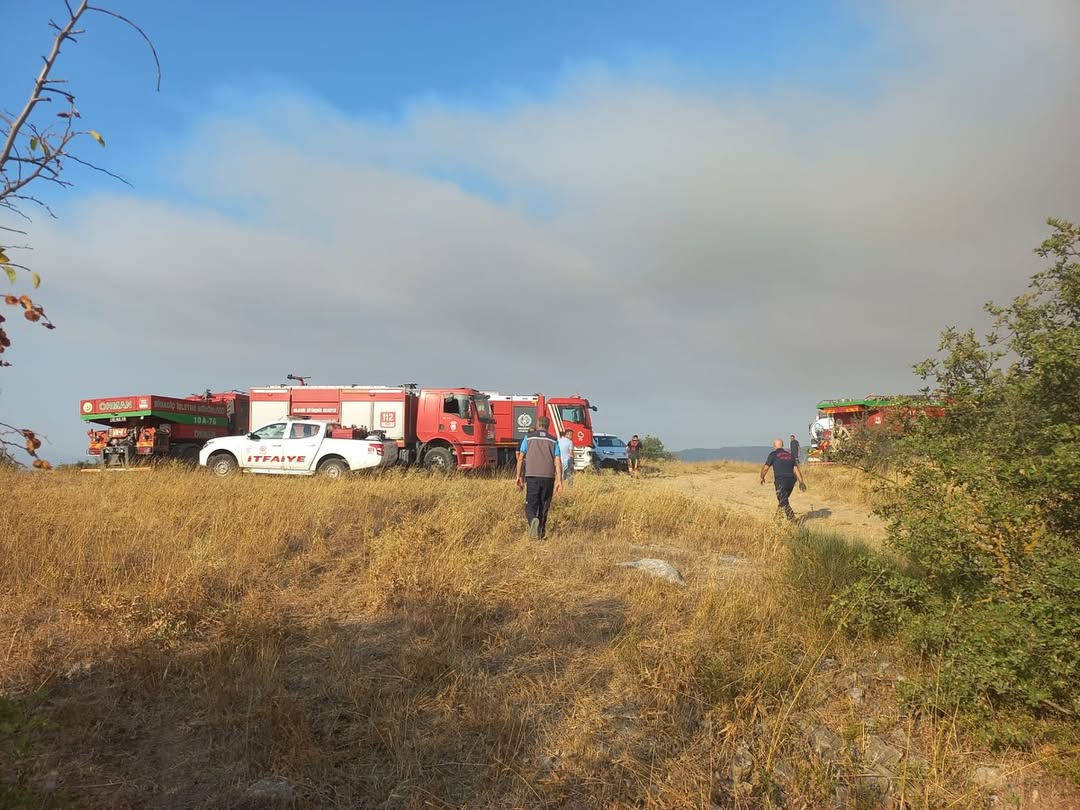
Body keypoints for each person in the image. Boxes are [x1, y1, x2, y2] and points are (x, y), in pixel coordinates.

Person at [515, 416, 563, 540]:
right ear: (548, 426)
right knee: (544, 505)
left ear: (537, 424)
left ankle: (533, 521)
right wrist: (559, 480)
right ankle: (541, 534)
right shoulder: (553, 440)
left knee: (530, 505)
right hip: (548, 477)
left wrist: (518, 476)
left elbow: (520, 458)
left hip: (532, 476)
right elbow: (557, 460)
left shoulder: (529, 437)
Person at [760, 438, 806, 521]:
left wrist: (762, 477)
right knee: (783, 500)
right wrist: (801, 481)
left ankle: (792, 519)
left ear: (774, 446)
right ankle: (777, 519)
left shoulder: (773, 454)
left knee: (783, 500)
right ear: (783, 445)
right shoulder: (790, 455)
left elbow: (766, 468)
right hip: (791, 481)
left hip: (781, 481)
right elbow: (796, 469)